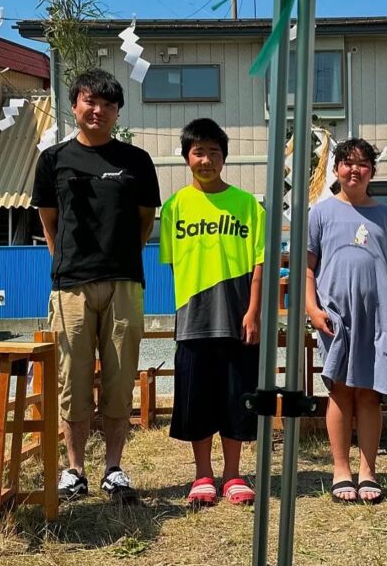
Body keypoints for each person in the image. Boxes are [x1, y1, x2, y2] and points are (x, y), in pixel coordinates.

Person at [32, 69, 161, 505]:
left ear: (117, 112)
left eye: (108, 104)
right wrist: (67, 264)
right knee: (72, 379)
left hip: (125, 281)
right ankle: (75, 470)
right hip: (71, 286)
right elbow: (49, 222)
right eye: (90, 101)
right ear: (74, 106)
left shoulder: (136, 161)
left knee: (120, 380)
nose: (98, 111)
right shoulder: (53, 160)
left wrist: (117, 256)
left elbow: (145, 221)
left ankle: (113, 468)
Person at [160, 118, 264, 507]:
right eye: (198, 152)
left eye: (214, 152)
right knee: (197, 401)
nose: (206, 160)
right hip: (193, 321)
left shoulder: (248, 205)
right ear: (187, 157)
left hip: (238, 319)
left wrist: (253, 312)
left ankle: (233, 474)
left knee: (237, 399)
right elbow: (175, 265)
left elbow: (260, 264)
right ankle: (202, 474)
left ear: (225, 157)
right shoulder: (173, 207)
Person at [306, 138, 387, 505]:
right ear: (336, 169)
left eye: (363, 164)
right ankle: (340, 470)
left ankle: (368, 471)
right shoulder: (320, 213)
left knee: (369, 392)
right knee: (339, 389)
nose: (355, 169)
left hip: (378, 317)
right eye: (347, 163)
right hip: (335, 317)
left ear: (372, 172)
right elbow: (307, 268)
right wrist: (312, 309)